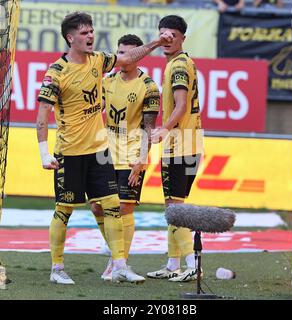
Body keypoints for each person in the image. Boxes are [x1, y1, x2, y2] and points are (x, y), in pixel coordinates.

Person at [36, 11, 172, 285]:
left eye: (91, 31)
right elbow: (42, 116)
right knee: (64, 210)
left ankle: (120, 265)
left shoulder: (98, 60)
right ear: (70, 37)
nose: (90, 36)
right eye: (84, 32)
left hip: (99, 151)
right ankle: (57, 268)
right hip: (69, 153)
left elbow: (128, 58)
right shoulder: (56, 72)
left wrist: (156, 44)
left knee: (112, 206)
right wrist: (44, 153)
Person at [92, 34, 160, 281]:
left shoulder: (149, 87)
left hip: (132, 153)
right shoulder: (107, 81)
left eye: (130, 53)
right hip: (104, 152)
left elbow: (149, 128)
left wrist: (142, 159)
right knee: (97, 207)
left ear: (140, 54)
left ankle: (118, 261)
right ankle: (115, 254)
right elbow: (93, 111)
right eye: (121, 52)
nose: (124, 57)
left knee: (123, 207)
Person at [147, 15, 204, 282]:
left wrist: (165, 129)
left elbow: (181, 105)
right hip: (190, 141)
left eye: (172, 35)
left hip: (179, 143)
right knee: (174, 206)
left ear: (182, 37)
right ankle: (173, 264)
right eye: (163, 35)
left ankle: (193, 265)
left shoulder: (178, 66)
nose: (167, 40)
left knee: (174, 207)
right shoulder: (183, 62)